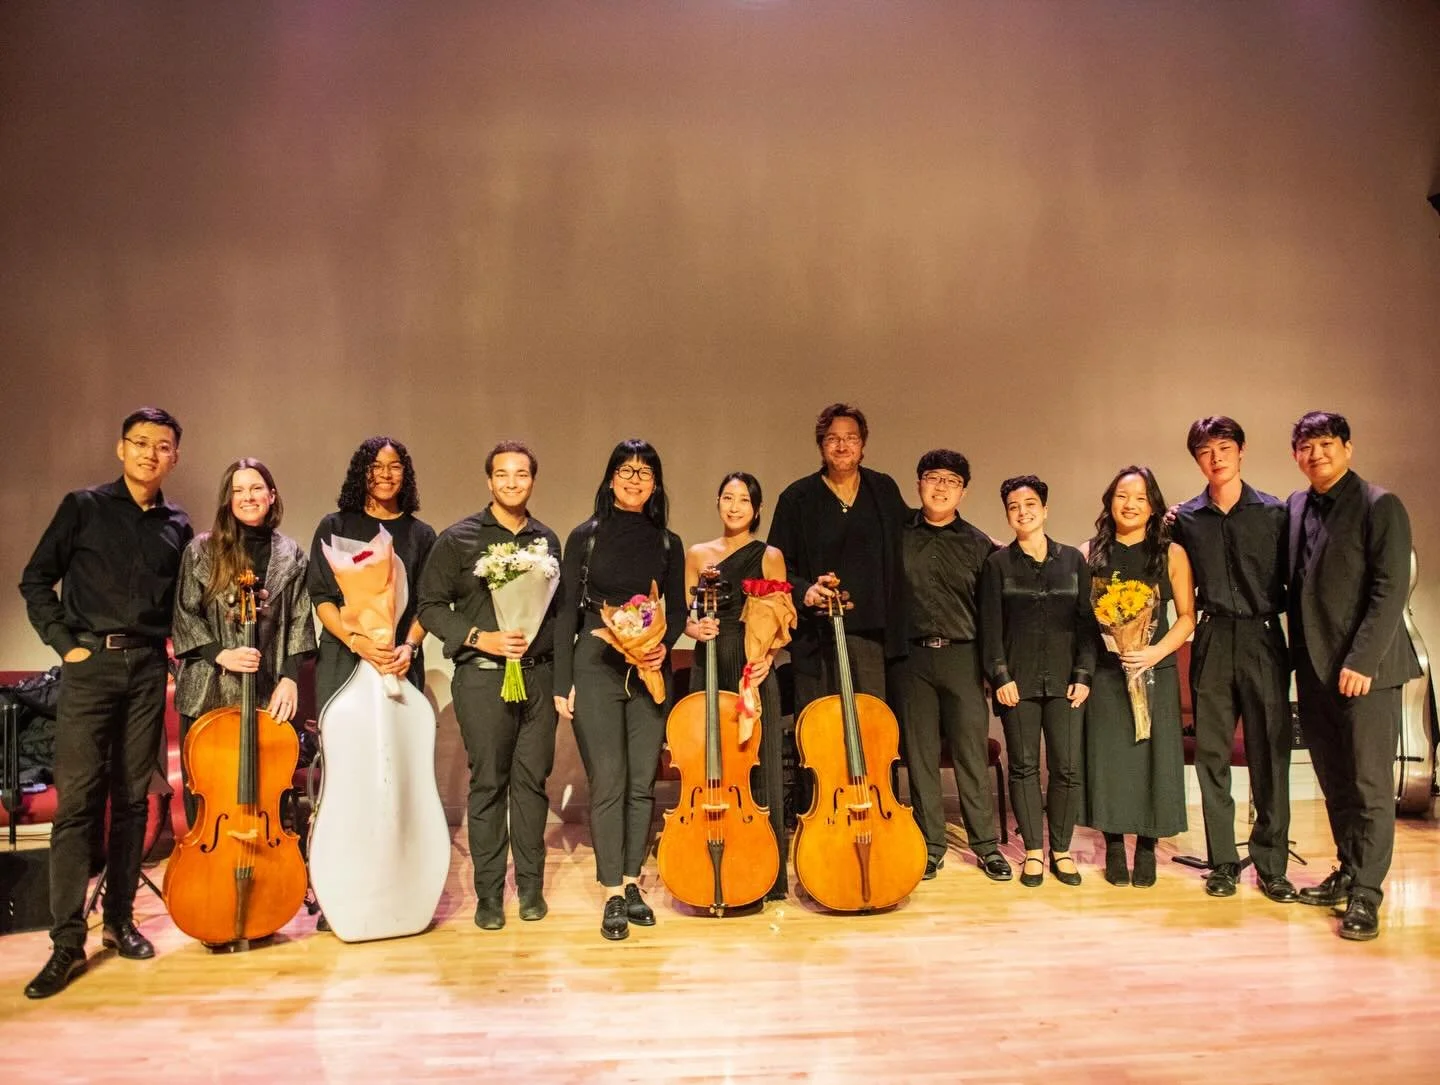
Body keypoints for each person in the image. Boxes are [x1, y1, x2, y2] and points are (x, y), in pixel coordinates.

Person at [18, 407, 192, 999]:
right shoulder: (83, 506)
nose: (149, 453)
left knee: (135, 801)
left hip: (146, 669)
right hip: (90, 666)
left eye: (162, 446)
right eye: (140, 443)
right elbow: (35, 580)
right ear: (121, 448)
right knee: (79, 805)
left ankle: (119, 920)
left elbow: (182, 602)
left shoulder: (178, 525)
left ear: (174, 456)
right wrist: (66, 646)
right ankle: (67, 942)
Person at [415, 441, 561, 931]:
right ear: (489, 481)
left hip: (536, 675)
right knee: (489, 784)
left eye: (522, 474)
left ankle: (532, 888)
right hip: (482, 678)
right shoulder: (459, 539)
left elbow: (555, 613)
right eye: (503, 474)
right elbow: (430, 606)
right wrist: (483, 638)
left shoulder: (546, 541)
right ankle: (490, 894)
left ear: (533, 480)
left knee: (532, 783)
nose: (512, 482)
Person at [1285, 411, 1420, 941]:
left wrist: (1362, 661)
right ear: (1295, 455)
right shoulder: (1297, 506)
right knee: (1335, 781)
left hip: (1368, 671)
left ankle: (1367, 892)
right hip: (1314, 668)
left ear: (1347, 448)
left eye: (1325, 444)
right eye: (1306, 446)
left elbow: (1390, 588)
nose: (1316, 454)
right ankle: (1347, 870)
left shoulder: (1379, 504)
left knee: (1369, 785)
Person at [553, 439, 686, 941]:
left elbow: (676, 610)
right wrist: (562, 681)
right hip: (595, 664)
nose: (635, 479)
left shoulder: (668, 543)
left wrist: (661, 647)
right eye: (626, 471)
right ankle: (610, 888)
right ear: (611, 479)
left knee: (640, 782)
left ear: (655, 484)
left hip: (648, 667)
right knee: (608, 780)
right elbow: (566, 613)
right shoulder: (584, 537)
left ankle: (632, 883)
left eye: (644, 472)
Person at [1170, 417, 1295, 902]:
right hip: (1213, 635)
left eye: (1224, 447)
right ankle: (1222, 862)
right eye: (1205, 451)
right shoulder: (1185, 519)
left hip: (1263, 636)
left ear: (1241, 451)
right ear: (1196, 460)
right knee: (1212, 757)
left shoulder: (1275, 512)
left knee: (1269, 756)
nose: (1216, 457)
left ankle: (1272, 866)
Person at [172, 459, 315, 826]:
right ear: (228, 499)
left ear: (271, 495)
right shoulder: (201, 550)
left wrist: (290, 677)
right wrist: (220, 654)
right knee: (207, 795)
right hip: (208, 691)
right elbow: (185, 614)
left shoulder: (292, 555)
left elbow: (300, 619)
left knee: (267, 791)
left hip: (266, 690)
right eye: (238, 490)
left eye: (255, 488)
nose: (247, 497)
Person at [892, 450, 1011, 882]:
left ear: (964, 491)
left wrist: (991, 669)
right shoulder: (897, 536)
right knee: (920, 756)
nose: (941, 487)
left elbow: (992, 613)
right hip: (911, 660)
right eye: (933, 478)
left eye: (951, 481)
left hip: (964, 657)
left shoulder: (980, 545)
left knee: (971, 754)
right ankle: (930, 846)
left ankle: (986, 846)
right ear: (918, 484)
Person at [1080, 466, 1195, 887]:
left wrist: (1154, 652)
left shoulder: (1171, 553)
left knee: (1153, 758)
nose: (1130, 505)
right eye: (1122, 496)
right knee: (1109, 758)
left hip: (1155, 669)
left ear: (1153, 507)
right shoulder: (1089, 552)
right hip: (1107, 672)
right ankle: (1113, 843)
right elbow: (1081, 619)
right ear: (1110, 502)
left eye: (1141, 498)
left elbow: (1187, 616)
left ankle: (1147, 845)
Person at [979, 476, 1093, 888]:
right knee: (1023, 767)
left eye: (1029, 504)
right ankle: (1031, 850)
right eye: (1013, 506)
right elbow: (990, 627)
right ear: (1007, 515)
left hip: (1066, 682)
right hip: (1017, 683)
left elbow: (1087, 625)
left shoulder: (1073, 561)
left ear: (1045, 510)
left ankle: (1060, 850)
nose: (1022, 512)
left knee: (1067, 767)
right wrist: (1000, 675)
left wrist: (1084, 675)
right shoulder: (997, 565)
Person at [682, 472, 790, 901]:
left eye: (744, 500)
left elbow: (779, 615)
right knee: (711, 761)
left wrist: (766, 659)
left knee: (759, 762)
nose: (734, 506)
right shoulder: (697, 554)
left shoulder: (770, 555)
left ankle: (765, 873)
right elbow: (686, 616)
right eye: (727, 497)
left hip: (751, 665)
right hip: (709, 659)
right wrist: (695, 629)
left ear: (757, 509)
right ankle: (707, 861)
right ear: (717, 502)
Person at [768, 403, 910, 709]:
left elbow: (915, 531)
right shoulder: (797, 498)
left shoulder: (882, 489)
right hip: (815, 638)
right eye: (832, 438)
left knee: (871, 726)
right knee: (818, 727)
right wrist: (805, 591)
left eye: (851, 438)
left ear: (862, 445)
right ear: (821, 445)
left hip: (873, 638)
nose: (842, 446)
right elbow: (775, 567)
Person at [307, 437, 436, 711]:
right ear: (361, 473)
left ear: (405, 474)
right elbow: (322, 596)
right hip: (343, 657)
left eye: (395, 466)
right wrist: (356, 642)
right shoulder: (335, 526)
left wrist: (409, 647)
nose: (386, 474)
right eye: (375, 467)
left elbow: (427, 604)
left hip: (397, 660)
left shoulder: (422, 535)